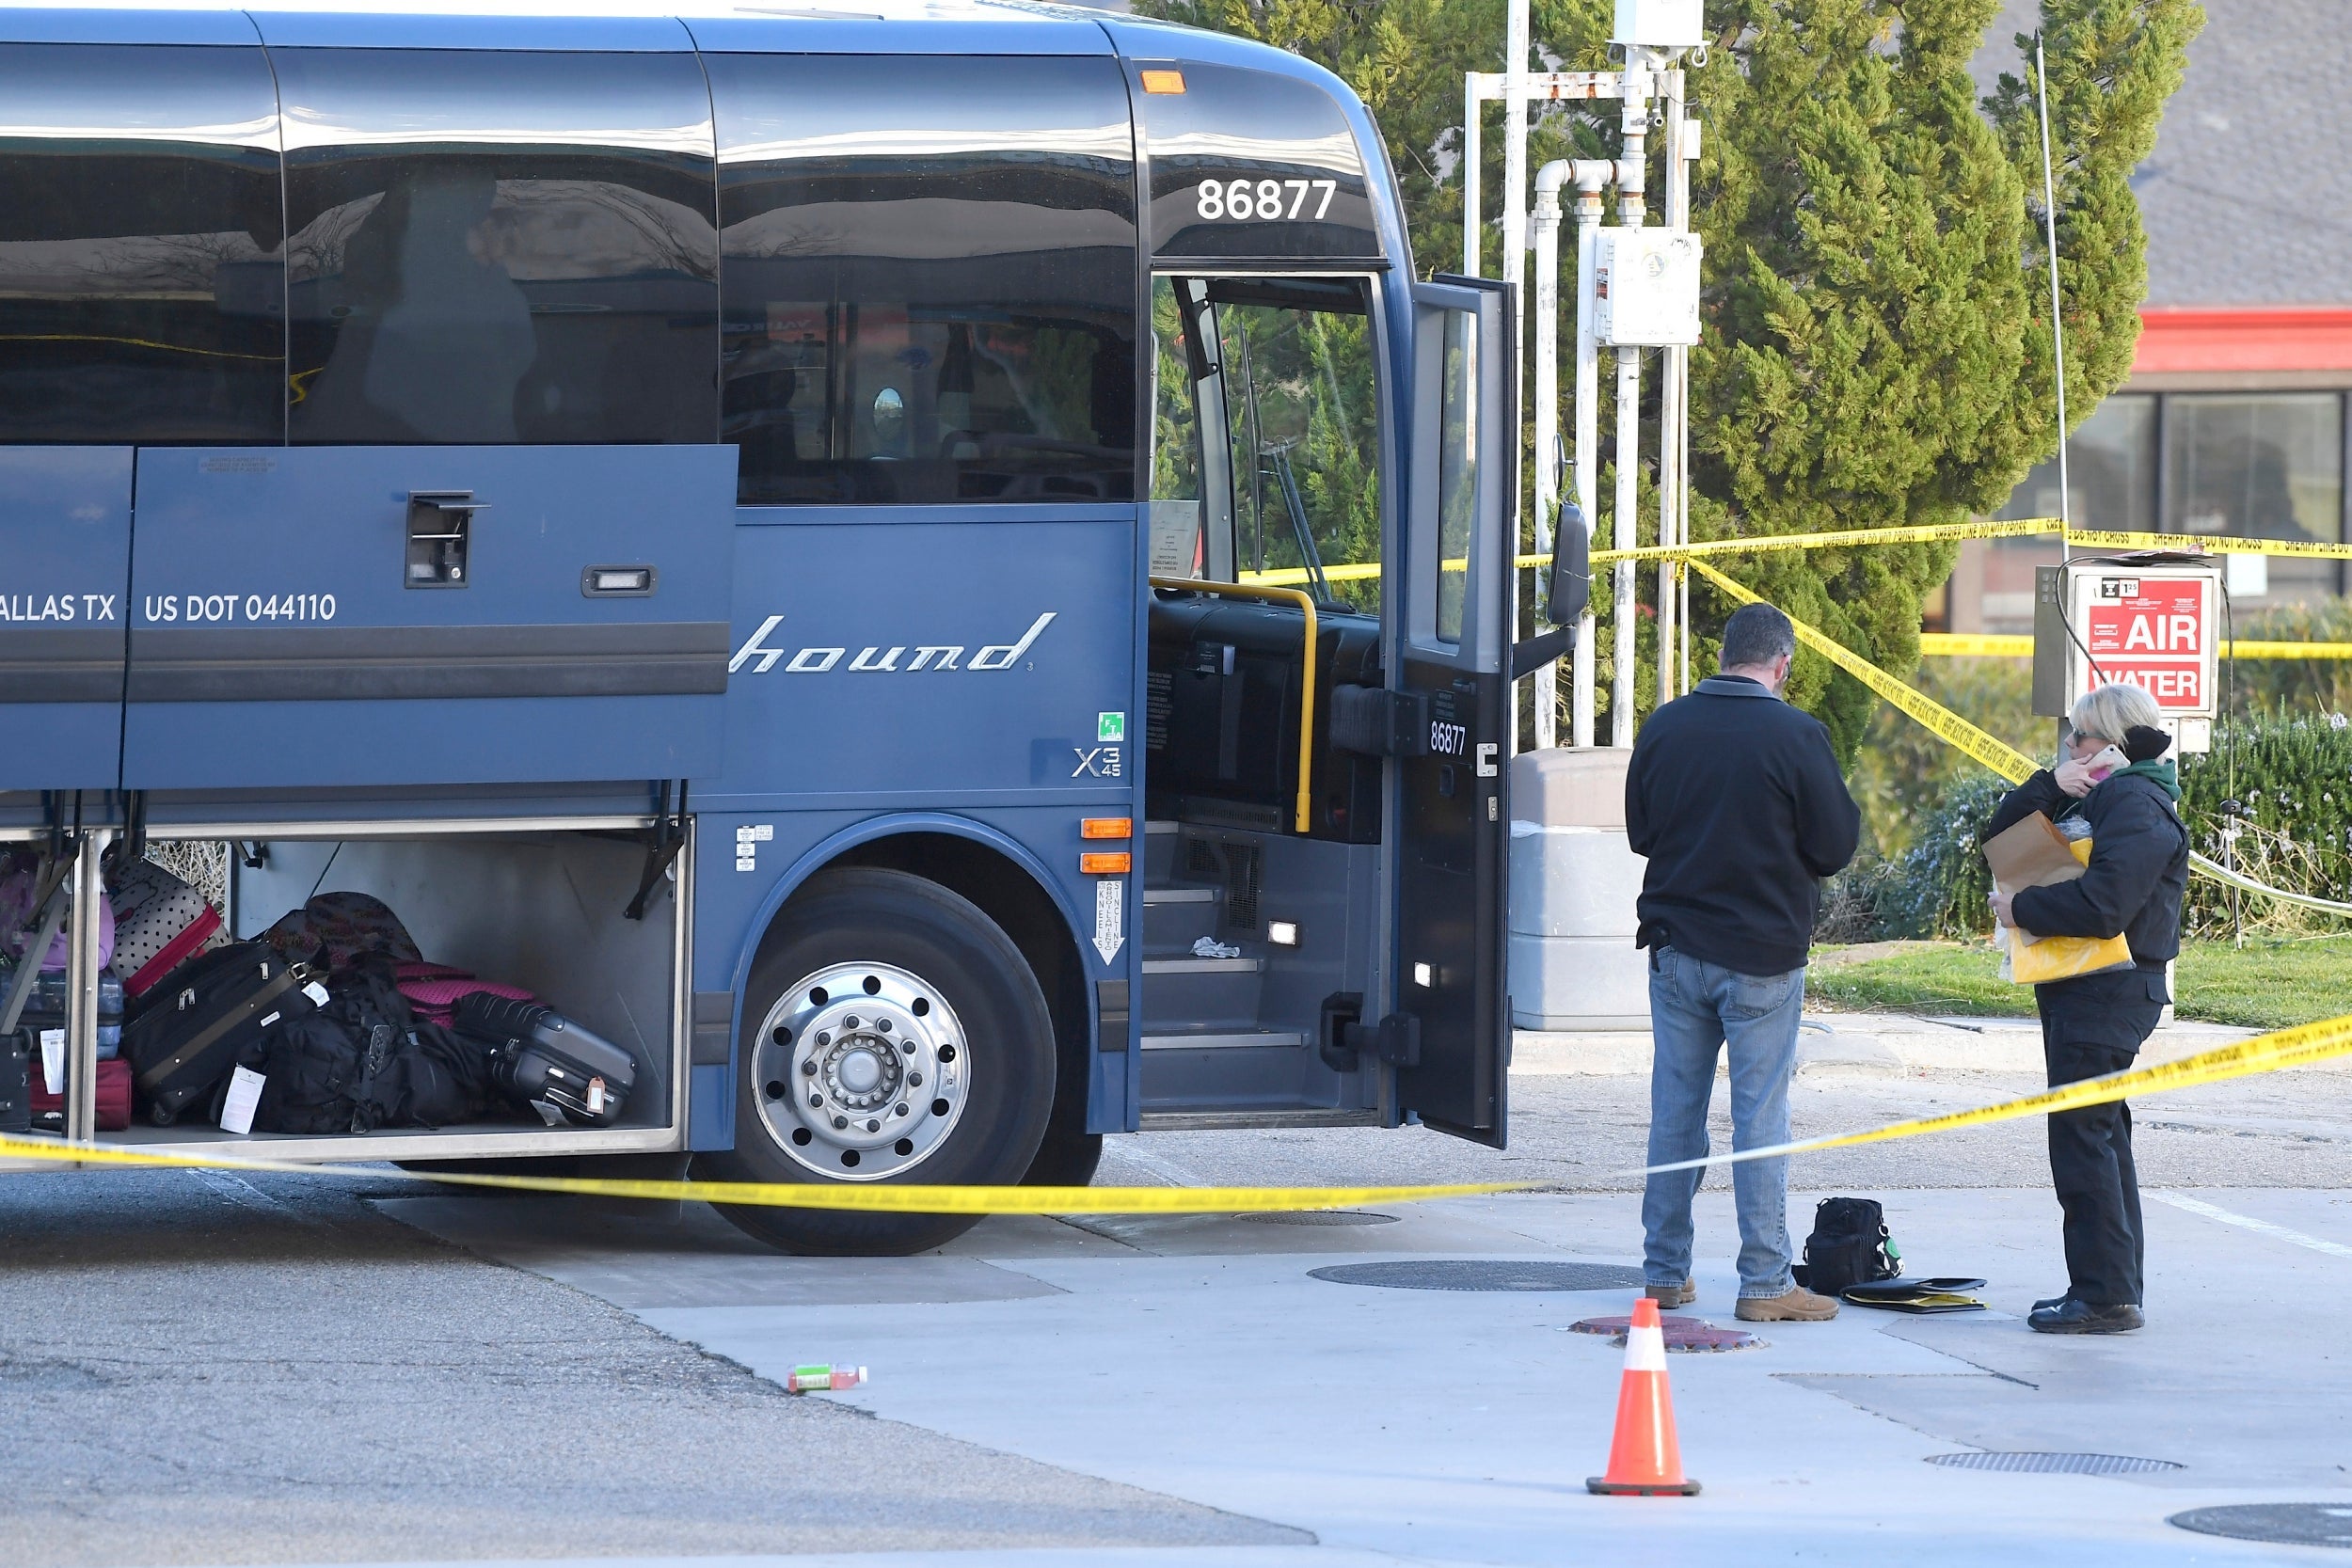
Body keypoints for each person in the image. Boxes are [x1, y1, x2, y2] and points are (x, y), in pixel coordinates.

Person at [1626, 602, 1861, 1323]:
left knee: (1676, 1112)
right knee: (1760, 1119)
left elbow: (1641, 833)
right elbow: (1834, 846)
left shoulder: (1665, 725)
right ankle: (1764, 1282)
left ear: (1724, 654)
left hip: (1676, 953)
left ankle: (1665, 1272)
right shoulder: (1796, 734)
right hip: (1761, 958)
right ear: (1782, 664)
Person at [1986, 683, 2188, 1335]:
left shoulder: (2135, 801)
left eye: (2078, 736)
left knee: (2084, 1139)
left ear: (2109, 742)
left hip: (2110, 987)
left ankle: (2103, 1295)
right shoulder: (2107, 795)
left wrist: (2024, 911)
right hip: (2085, 987)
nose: (2069, 745)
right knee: (2099, 1133)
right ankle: (2110, 1284)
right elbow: (2003, 840)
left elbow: (2105, 905)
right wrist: (2051, 781)